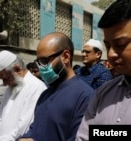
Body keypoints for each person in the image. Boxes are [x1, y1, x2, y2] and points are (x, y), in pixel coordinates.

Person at [17, 32, 94, 141]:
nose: (41, 67)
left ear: (65, 57)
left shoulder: (85, 96)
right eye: (38, 62)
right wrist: (25, 138)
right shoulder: (45, 94)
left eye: (44, 61)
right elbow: (35, 128)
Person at [76, 0, 131, 140]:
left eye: (120, 45)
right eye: (108, 46)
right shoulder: (104, 93)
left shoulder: (102, 77)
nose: (111, 53)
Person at [0, 50, 47, 141]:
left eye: (5, 78)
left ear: (17, 69)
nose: (4, 83)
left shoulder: (36, 88)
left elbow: (23, 127)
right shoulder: (10, 87)